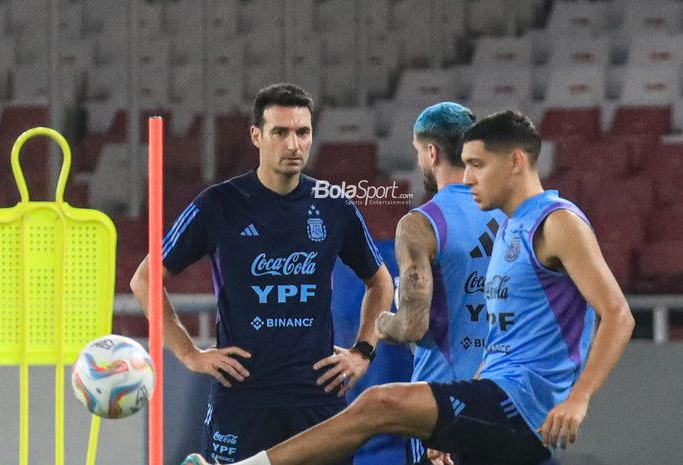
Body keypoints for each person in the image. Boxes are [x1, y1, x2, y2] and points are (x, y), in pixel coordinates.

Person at [181, 110, 634, 465]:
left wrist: (579, 398)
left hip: (526, 408)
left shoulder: (558, 222)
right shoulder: (509, 229)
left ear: (516, 162)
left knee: (379, 402)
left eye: (478, 165)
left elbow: (618, 314)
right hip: (496, 397)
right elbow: (506, 345)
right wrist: (445, 426)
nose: (469, 176)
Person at [131, 83, 393, 464]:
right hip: (243, 400)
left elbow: (381, 282)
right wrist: (189, 354)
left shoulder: (334, 205)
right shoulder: (219, 204)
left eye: (302, 132)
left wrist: (364, 351)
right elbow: (145, 279)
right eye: (280, 132)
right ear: (257, 136)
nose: (293, 144)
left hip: (317, 399)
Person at [371, 102, 505, 465]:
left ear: (432, 152)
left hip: (443, 407)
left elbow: (413, 326)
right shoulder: (513, 214)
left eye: (418, 153)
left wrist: (383, 323)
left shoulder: (421, 224)